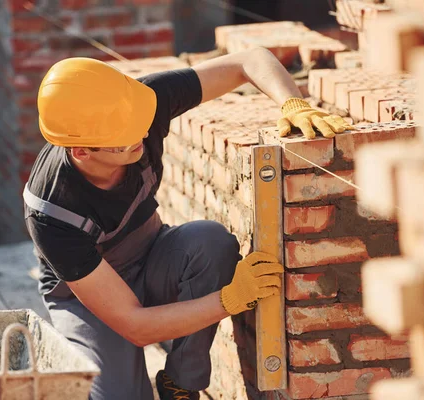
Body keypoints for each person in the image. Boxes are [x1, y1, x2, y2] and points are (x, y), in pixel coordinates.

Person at [23, 47, 353, 400]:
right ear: (82, 152)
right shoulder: (50, 211)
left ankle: (179, 383)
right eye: (124, 139)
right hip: (88, 300)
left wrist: (292, 103)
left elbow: (247, 60)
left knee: (210, 243)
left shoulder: (137, 107)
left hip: (151, 257)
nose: (139, 136)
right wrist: (231, 299)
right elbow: (135, 326)